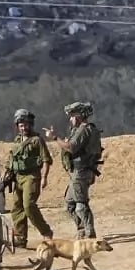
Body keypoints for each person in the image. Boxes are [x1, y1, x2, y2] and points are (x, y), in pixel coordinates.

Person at [44, 101, 102, 239]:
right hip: (78, 171)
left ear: (79, 116)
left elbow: (71, 147)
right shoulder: (82, 130)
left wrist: (54, 138)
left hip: (81, 171)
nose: (70, 119)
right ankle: (82, 229)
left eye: (72, 116)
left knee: (81, 204)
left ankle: (89, 235)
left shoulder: (84, 129)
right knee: (70, 204)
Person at [8, 109, 54, 249]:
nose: (24, 127)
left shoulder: (36, 140)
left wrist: (44, 178)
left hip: (32, 176)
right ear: (17, 126)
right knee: (17, 208)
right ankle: (20, 238)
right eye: (21, 125)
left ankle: (46, 232)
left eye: (26, 125)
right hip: (18, 177)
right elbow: (11, 160)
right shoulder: (17, 141)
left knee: (29, 206)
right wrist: (7, 175)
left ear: (31, 124)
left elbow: (46, 160)